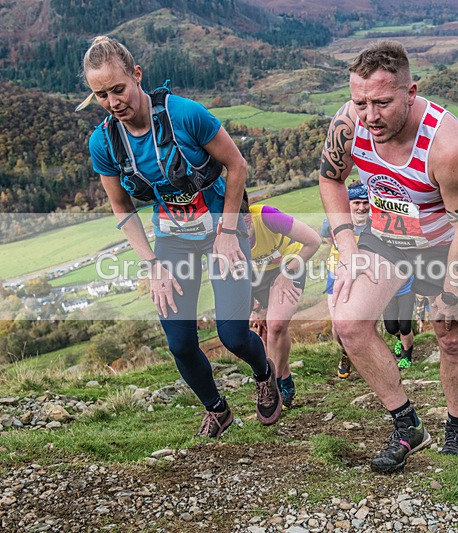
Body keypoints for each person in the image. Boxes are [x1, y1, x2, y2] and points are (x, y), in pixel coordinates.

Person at [80, 36, 280, 439]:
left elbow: (236, 165)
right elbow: (122, 208)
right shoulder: (103, 142)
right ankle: (218, 409)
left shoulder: (185, 115)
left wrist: (227, 233)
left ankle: (264, 373)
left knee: (233, 335)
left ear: (137, 76)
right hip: (173, 240)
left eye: (118, 89)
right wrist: (151, 263)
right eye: (100, 95)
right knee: (180, 343)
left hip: (222, 229)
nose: (113, 101)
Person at [319, 41, 458, 473]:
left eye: (383, 103)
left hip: (443, 245)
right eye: (360, 102)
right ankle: (407, 425)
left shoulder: (447, 146)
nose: (370, 116)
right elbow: (330, 179)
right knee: (349, 324)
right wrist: (348, 245)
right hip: (386, 238)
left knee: (449, 335)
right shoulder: (350, 123)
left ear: (412, 93)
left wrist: (448, 293)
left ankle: (456, 431)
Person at [245, 204, 321, 409]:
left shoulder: (266, 215)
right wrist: (254, 306)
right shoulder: (223, 232)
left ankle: (274, 387)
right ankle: (286, 381)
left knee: (277, 324)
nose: (242, 224)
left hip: (291, 263)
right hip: (257, 276)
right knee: (265, 332)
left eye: (244, 217)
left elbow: (314, 241)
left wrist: (287, 271)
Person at [320, 182, 371, 379]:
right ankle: (345, 353)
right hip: (336, 275)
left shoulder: (374, 223)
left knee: (362, 323)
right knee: (337, 326)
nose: (361, 207)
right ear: (348, 203)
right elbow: (327, 237)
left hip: (364, 278)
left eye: (365, 202)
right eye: (356, 202)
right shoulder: (333, 221)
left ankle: (366, 359)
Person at [384, 277, 416, 369]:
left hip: (407, 289)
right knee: (391, 328)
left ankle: (406, 356)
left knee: (405, 327)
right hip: (389, 292)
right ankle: (399, 339)